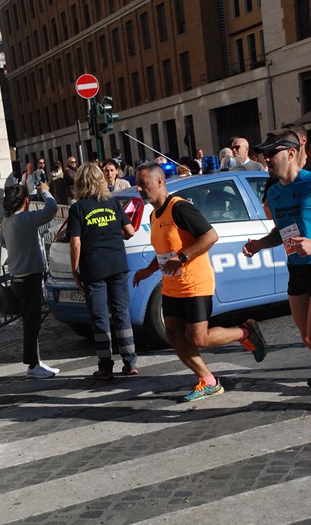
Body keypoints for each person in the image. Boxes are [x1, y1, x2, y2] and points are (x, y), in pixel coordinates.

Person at [132, 162, 267, 402]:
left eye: (143, 184)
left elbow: (210, 235)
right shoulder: (154, 214)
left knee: (198, 338)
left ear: (159, 182)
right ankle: (208, 380)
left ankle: (245, 332)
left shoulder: (179, 208)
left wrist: (183, 257)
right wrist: (147, 270)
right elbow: (164, 252)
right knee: (173, 333)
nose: (139, 189)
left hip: (195, 283)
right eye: (138, 185)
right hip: (172, 286)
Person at [243, 128, 311, 358]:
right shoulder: (273, 193)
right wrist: (259, 245)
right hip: (297, 270)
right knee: (307, 337)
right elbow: (281, 230)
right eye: (265, 154)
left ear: (291, 153)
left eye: (272, 152)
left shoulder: (309, 184)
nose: (266, 159)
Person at [66, 162, 138, 380]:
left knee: (99, 317)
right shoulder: (113, 203)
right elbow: (131, 231)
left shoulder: (78, 209)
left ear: (80, 183)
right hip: (117, 264)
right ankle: (130, 361)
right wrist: (116, 236)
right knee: (121, 313)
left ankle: (105, 366)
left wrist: (75, 270)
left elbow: (75, 243)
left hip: (93, 267)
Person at [0, 182, 60, 379]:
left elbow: (2, 241)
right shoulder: (26, 218)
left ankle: (36, 361)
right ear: (26, 201)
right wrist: (45, 191)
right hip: (29, 278)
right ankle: (33, 365)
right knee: (32, 322)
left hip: (17, 277)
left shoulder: (6, 221)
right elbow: (51, 209)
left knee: (31, 320)